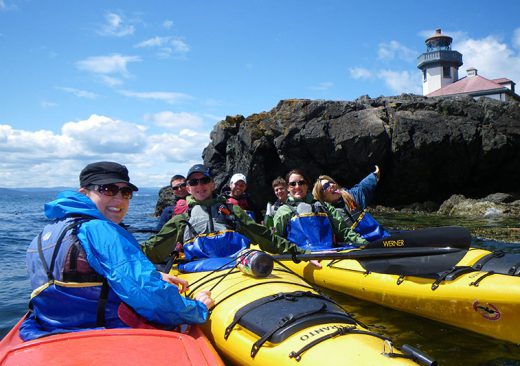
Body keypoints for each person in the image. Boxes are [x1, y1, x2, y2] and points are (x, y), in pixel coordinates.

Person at [20, 161, 213, 341]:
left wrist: (155, 275)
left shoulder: (45, 234)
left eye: (126, 192)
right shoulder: (101, 230)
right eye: (108, 190)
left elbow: (84, 278)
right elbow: (148, 295)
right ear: (84, 193)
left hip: (46, 331)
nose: (119, 199)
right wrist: (198, 308)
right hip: (102, 334)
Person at [141, 164, 308, 272]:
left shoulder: (232, 211)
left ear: (213, 184)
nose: (199, 186)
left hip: (237, 270)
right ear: (189, 188)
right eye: (193, 182)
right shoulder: (182, 219)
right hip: (200, 273)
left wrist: (299, 253)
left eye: (204, 180)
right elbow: (153, 249)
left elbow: (263, 236)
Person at [273, 169, 367, 251]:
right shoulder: (283, 211)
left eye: (301, 183)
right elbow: (277, 240)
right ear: (288, 188)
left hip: (328, 254)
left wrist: (366, 244)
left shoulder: (324, 206)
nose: (297, 186)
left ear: (307, 185)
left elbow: (343, 232)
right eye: (293, 184)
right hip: (300, 258)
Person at [312, 166, 389, 241]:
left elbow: (363, 186)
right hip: (355, 244)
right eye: (326, 185)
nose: (332, 185)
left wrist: (374, 175)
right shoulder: (326, 213)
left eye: (331, 182)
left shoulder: (351, 196)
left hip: (378, 236)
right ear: (323, 196)